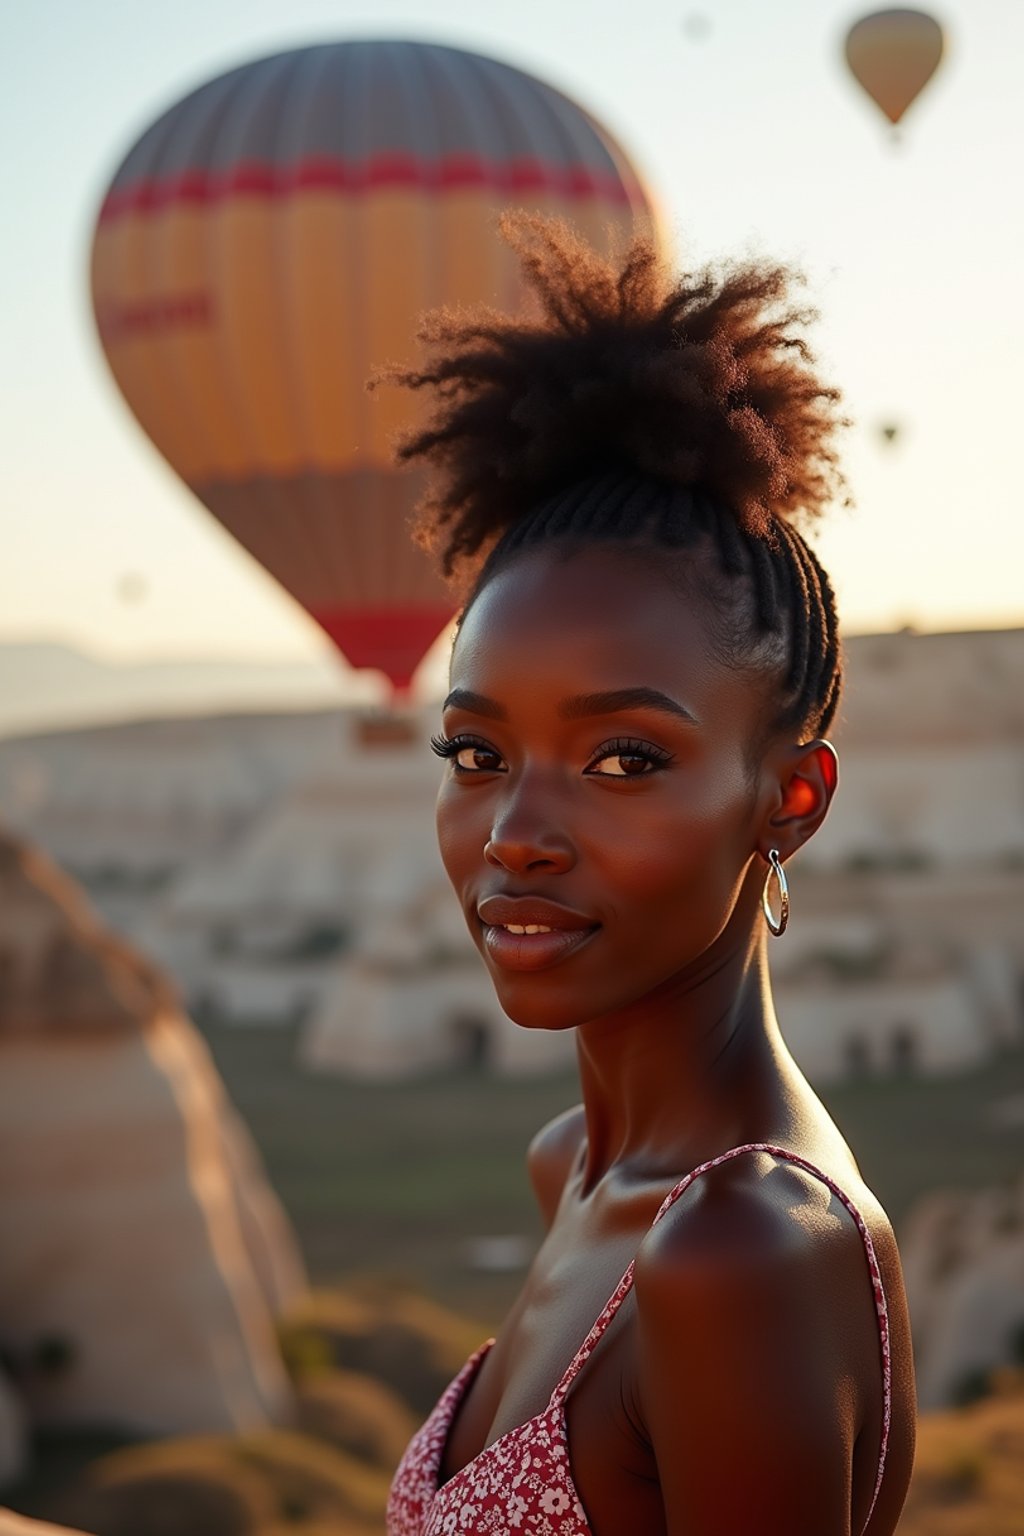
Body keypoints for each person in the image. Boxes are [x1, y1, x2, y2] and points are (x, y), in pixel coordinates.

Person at [377, 214, 916, 1536]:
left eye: (623, 758)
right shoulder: (573, 1169)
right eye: (476, 749)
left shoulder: (742, 1247)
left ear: (787, 804)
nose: (516, 832)